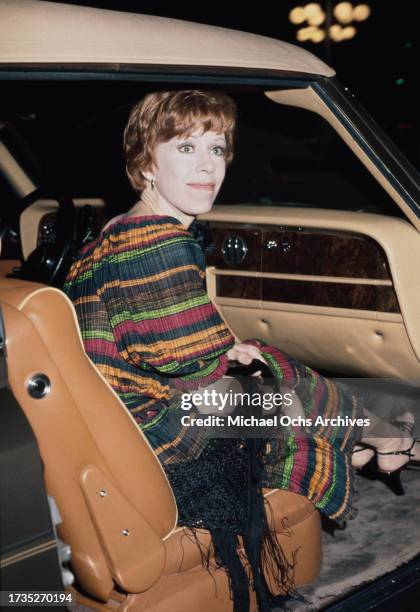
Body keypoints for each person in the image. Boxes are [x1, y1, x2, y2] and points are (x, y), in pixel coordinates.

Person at [64, 90, 419, 610]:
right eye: (186, 149)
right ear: (145, 162)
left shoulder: (119, 230)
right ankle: (387, 442)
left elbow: (166, 343)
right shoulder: (158, 244)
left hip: (121, 419)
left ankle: (376, 443)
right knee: (287, 391)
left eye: (218, 147)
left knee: (267, 364)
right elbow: (205, 384)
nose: (209, 166)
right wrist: (276, 394)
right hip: (159, 433)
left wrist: (235, 354)